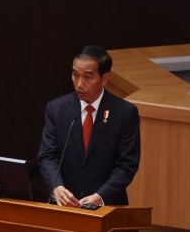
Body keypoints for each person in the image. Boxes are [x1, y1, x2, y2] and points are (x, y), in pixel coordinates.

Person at [37, 45, 140, 207]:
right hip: (65, 205)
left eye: (87, 77)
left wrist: (101, 196)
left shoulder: (125, 113)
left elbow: (127, 165)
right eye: (75, 75)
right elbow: (47, 156)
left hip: (107, 207)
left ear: (105, 78)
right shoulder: (56, 109)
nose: (79, 84)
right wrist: (56, 186)